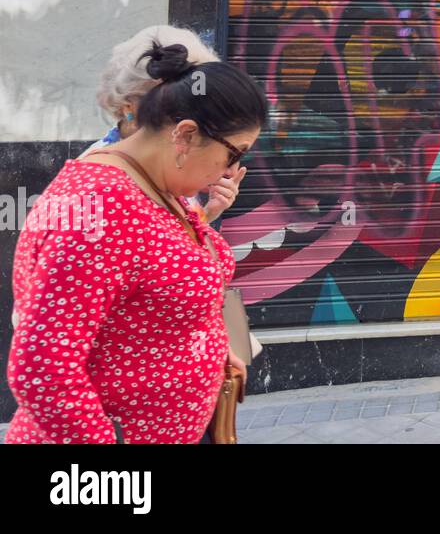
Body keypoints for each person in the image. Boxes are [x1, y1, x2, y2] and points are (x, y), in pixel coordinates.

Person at [6, 41, 268, 444]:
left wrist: (207, 347)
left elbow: (148, 297)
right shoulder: (100, 206)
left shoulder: (155, 184)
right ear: (185, 135)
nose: (232, 170)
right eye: (234, 154)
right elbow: (43, 365)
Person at [80, 25, 242, 225]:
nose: (187, 120)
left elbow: (172, 243)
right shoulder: (97, 178)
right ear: (128, 106)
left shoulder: (171, 158)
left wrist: (208, 212)